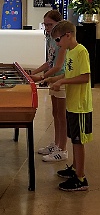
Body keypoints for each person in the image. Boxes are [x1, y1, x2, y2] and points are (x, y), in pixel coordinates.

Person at [48, 20, 92, 191]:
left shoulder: (81, 51)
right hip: (72, 104)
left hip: (81, 105)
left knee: (78, 141)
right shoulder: (70, 51)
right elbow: (71, 73)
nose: (58, 45)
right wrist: (56, 78)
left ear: (68, 35)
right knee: (74, 138)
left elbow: (85, 77)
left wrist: (63, 81)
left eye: (58, 40)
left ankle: (81, 178)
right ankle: (75, 168)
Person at [31, 10, 67, 162]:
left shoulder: (62, 40)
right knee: (55, 114)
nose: (46, 27)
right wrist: (35, 72)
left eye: (50, 24)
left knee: (62, 116)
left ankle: (62, 149)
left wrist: (42, 77)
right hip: (53, 78)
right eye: (45, 24)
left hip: (61, 78)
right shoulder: (49, 38)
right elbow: (49, 62)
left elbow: (59, 66)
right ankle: (57, 144)